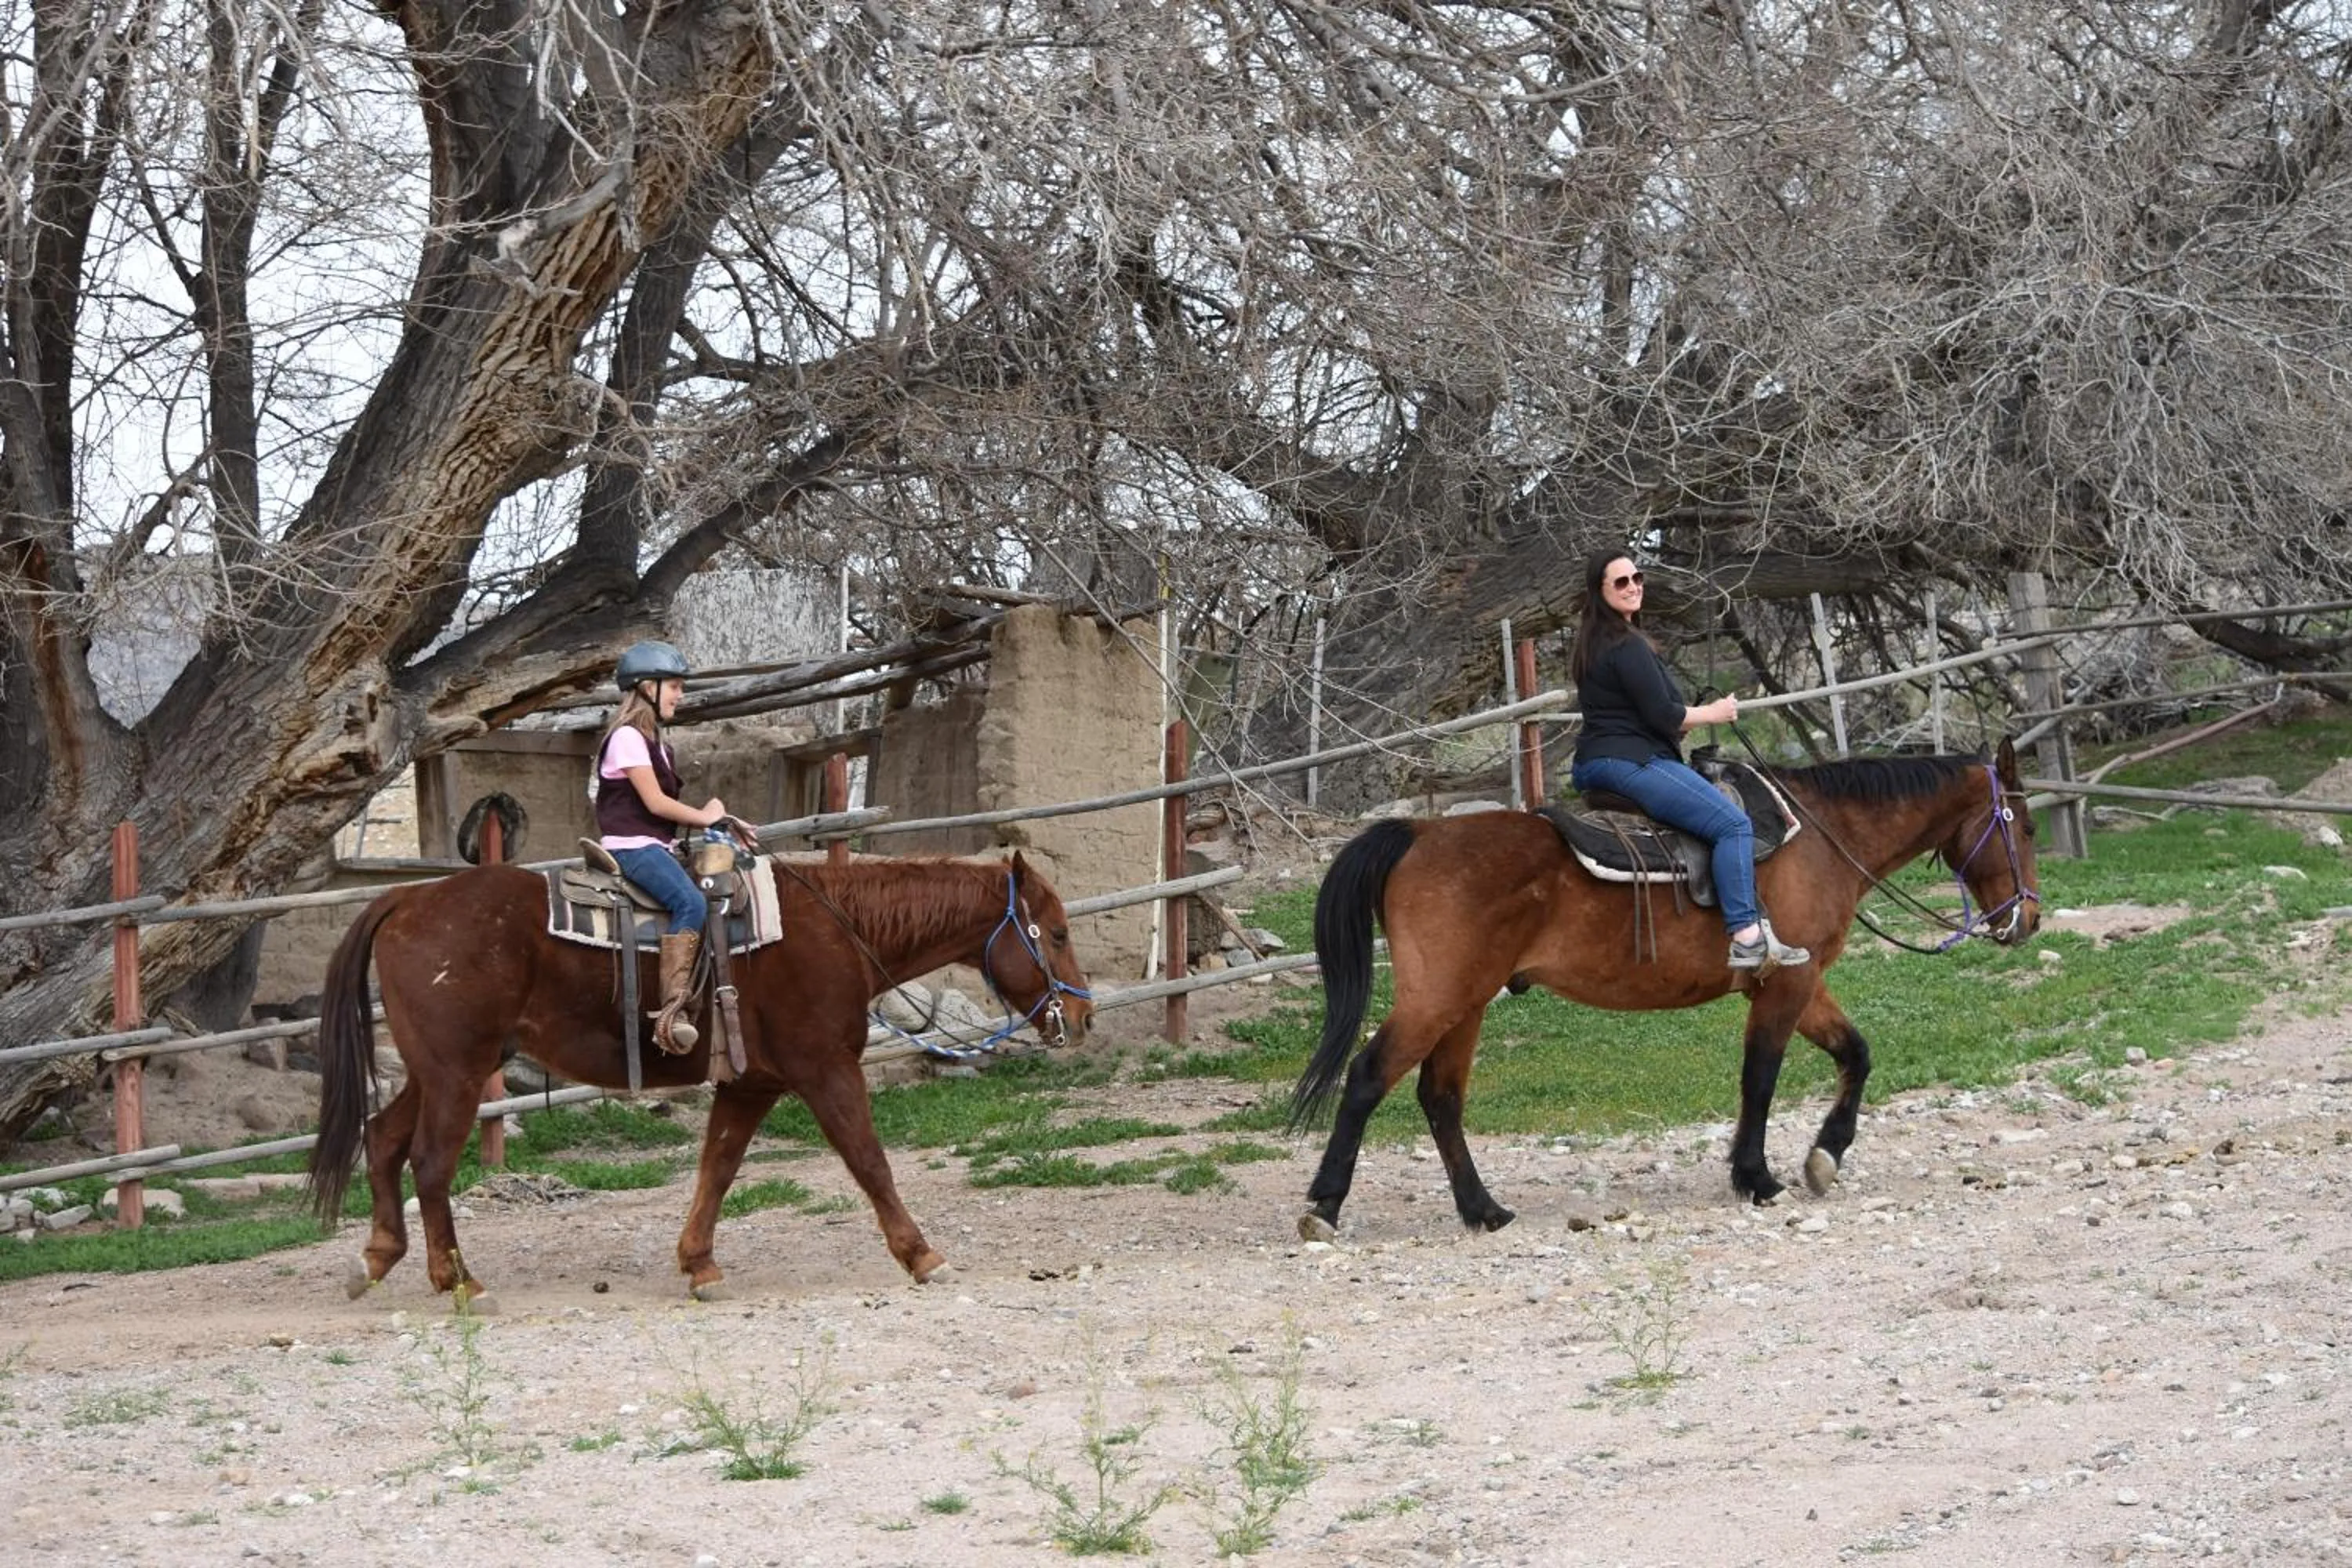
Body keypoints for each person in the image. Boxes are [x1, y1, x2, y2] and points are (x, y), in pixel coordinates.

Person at [1567, 550, 1810, 972]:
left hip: (1601, 759)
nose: (1633, 586)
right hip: (1630, 761)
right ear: (1600, 592)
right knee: (1733, 824)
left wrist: (1683, 722)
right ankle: (1747, 937)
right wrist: (1716, 713)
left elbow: (1641, 714)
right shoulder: (1627, 647)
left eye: (1636, 577)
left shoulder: (1595, 643)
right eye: (1620, 582)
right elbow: (1665, 716)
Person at [596, 640, 732, 1051]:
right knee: (690, 903)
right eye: (673, 685)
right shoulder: (627, 739)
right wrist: (706, 816)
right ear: (646, 687)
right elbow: (655, 803)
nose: (680, 695)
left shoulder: (657, 745)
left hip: (655, 845)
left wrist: (728, 820)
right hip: (631, 847)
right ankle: (672, 1014)